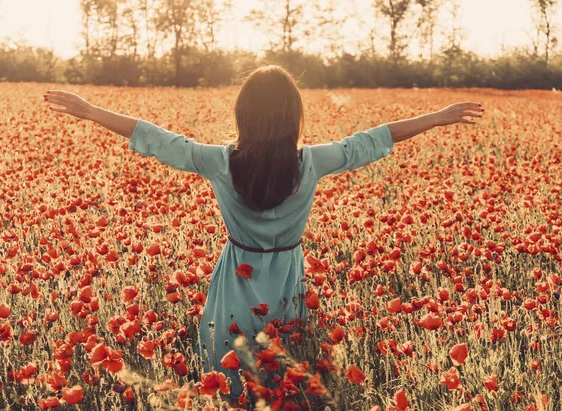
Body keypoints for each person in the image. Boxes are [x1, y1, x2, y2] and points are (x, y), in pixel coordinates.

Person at [43, 65, 484, 404]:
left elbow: (159, 139)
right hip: (288, 280)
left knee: (230, 378)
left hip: (236, 279)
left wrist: (89, 110)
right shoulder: (312, 161)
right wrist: (437, 118)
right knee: (283, 379)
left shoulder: (219, 161)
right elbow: (371, 140)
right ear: (294, 116)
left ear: (243, 114)